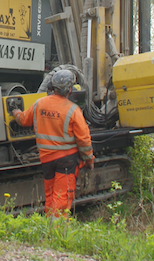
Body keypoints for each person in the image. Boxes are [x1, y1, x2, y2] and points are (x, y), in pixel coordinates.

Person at [8, 70, 94, 216]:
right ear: (69, 89)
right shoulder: (73, 110)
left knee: (50, 196)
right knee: (61, 198)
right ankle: (57, 232)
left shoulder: (39, 104)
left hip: (46, 159)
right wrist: (89, 160)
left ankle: (49, 227)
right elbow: (84, 140)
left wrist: (15, 111)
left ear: (52, 87)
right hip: (66, 161)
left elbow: (23, 120)